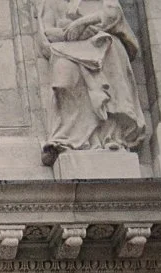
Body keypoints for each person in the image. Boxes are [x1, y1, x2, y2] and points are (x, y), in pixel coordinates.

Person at [38, 0, 146, 164]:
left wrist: (83, 22)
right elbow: (47, 33)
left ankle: (110, 136)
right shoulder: (52, 3)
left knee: (109, 49)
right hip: (67, 48)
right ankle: (67, 137)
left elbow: (113, 15)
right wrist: (69, 32)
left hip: (101, 42)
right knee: (63, 83)